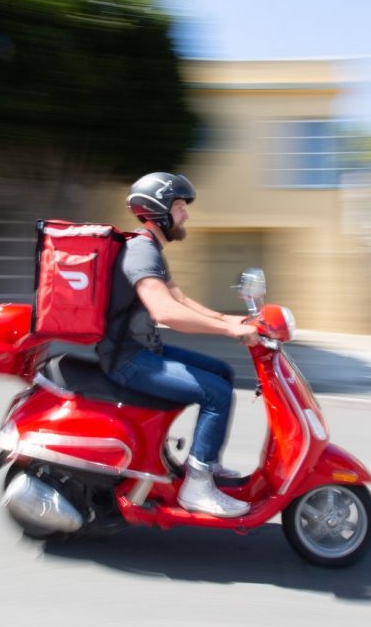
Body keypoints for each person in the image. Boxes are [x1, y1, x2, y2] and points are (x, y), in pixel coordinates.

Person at [96, 171, 259, 518]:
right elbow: (165, 311)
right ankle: (197, 489)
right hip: (128, 359)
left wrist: (225, 319)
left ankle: (206, 462)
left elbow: (178, 297)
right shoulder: (141, 250)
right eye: (181, 206)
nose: (186, 215)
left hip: (143, 350)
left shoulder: (149, 247)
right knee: (215, 392)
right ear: (160, 211)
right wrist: (228, 333)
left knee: (223, 372)